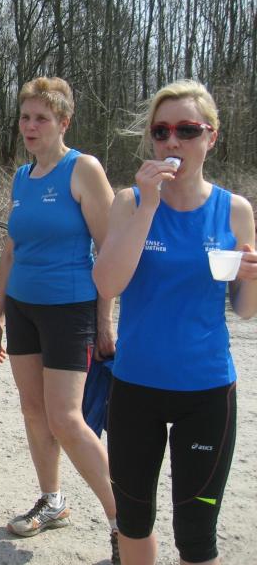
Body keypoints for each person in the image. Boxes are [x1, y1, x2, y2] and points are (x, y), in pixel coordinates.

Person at [93, 80, 257, 565]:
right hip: (136, 387)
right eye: (160, 131)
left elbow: (245, 308)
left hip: (206, 390)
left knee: (197, 535)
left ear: (211, 137)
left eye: (186, 130)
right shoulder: (130, 202)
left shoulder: (235, 210)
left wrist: (253, 276)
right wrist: (149, 204)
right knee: (133, 519)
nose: (172, 141)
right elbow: (108, 283)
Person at [0, 77, 119, 559]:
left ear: (64, 122)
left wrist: (105, 322)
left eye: (41, 118)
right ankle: (53, 501)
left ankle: (124, 521)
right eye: (25, 117)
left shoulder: (83, 169)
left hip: (70, 310)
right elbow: (11, 249)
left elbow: (110, 251)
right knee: (34, 410)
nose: (30, 125)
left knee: (65, 418)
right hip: (23, 308)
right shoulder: (23, 177)